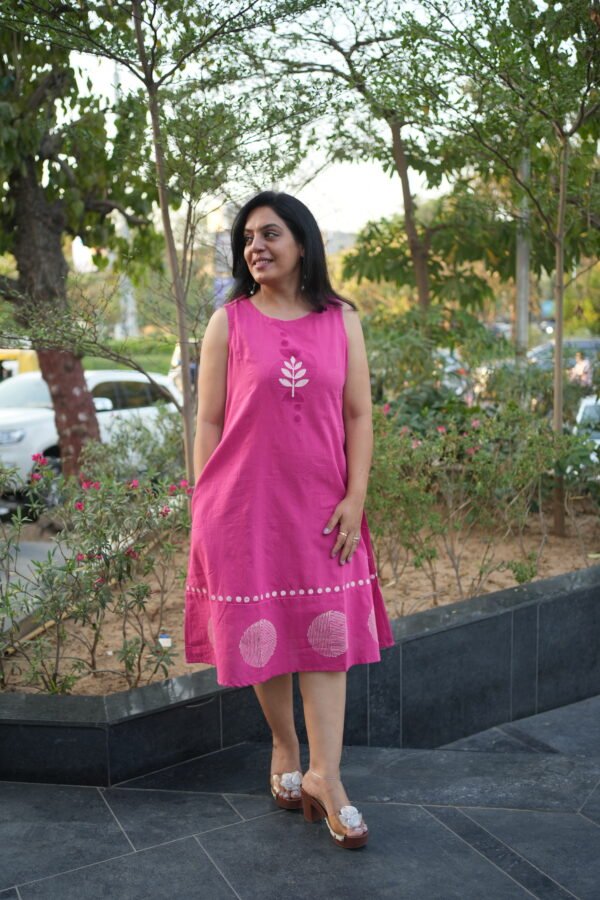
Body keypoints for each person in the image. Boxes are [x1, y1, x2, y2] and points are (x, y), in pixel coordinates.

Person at [184, 191, 395, 850]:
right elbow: (209, 420)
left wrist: (356, 495)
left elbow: (358, 413)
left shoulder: (341, 320)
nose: (256, 246)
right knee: (264, 631)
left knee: (327, 638)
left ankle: (326, 776)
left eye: (270, 233)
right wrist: (203, 501)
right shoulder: (229, 323)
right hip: (242, 509)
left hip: (324, 508)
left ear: (303, 242)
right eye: (248, 237)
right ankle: (284, 745)